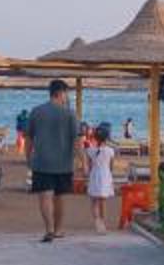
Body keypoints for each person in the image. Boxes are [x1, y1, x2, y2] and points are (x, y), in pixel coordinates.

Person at [28, 77, 81, 241]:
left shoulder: (36, 111)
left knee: (45, 197)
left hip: (41, 162)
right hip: (63, 164)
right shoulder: (70, 114)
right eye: (66, 94)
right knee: (60, 197)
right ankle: (58, 230)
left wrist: (28, 157)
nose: (67, 97)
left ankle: (49, 229)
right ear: (61, 93)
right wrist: (80, 160)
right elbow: (76, 140)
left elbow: (29, 137)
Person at [84, 122, 118, 230]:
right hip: (105, 175)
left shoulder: (90, 150)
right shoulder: (110, 151)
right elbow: (111, 167)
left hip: (95, 175)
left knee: (94, 201)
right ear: (107, 138)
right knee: (103, 201)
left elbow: (89, 166)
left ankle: (97, 221)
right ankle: (103, 221)